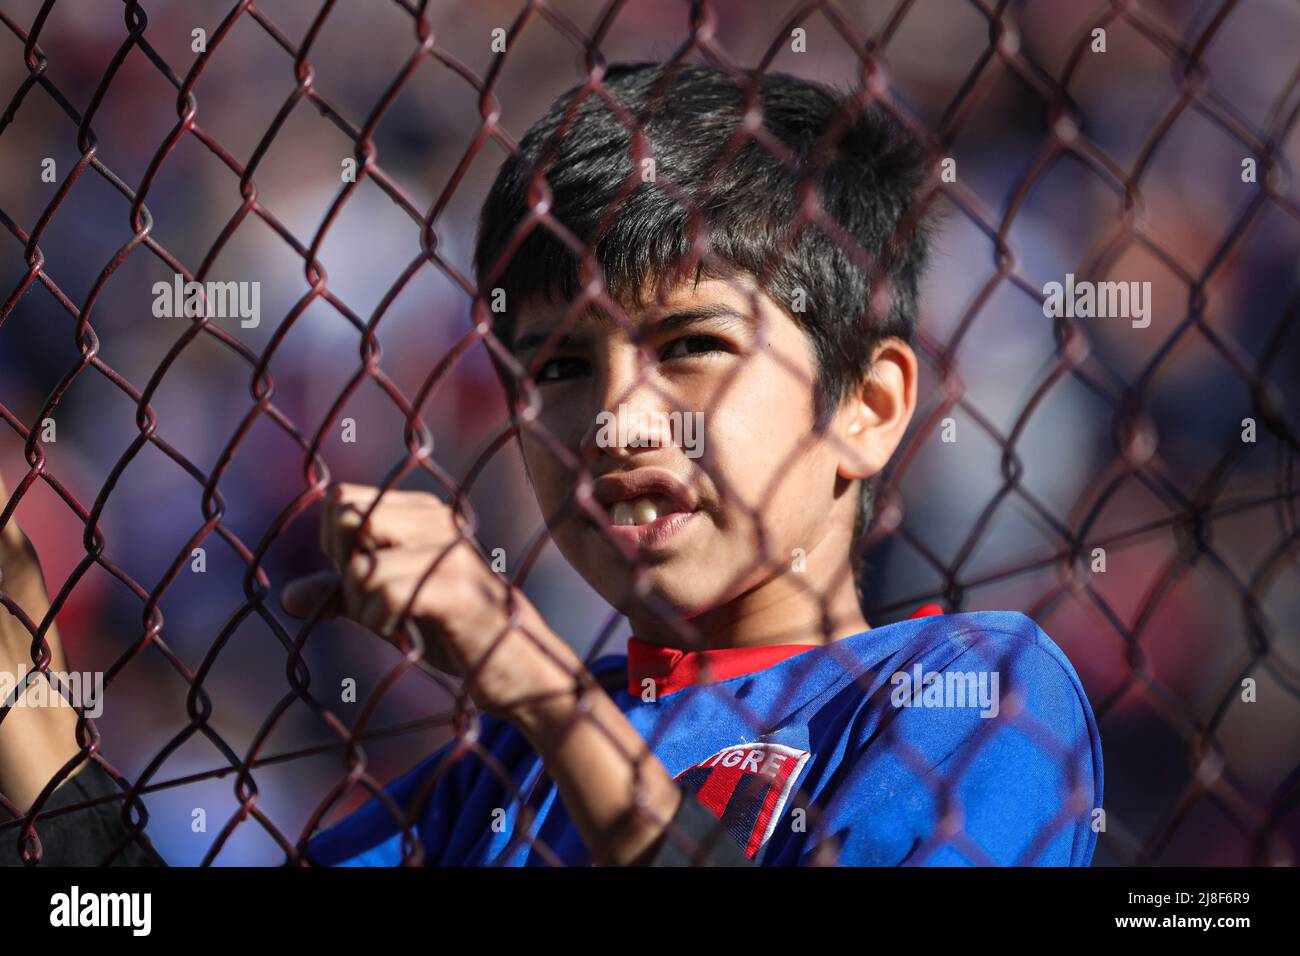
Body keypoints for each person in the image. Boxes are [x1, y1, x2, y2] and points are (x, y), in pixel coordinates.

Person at [0, 62, 1102, 867]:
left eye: (690, 347)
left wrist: (529, 676)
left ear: (867, 406)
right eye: (561, 364)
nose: (616, 420)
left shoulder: (971, 689)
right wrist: (34, 720)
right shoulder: (486, 779)